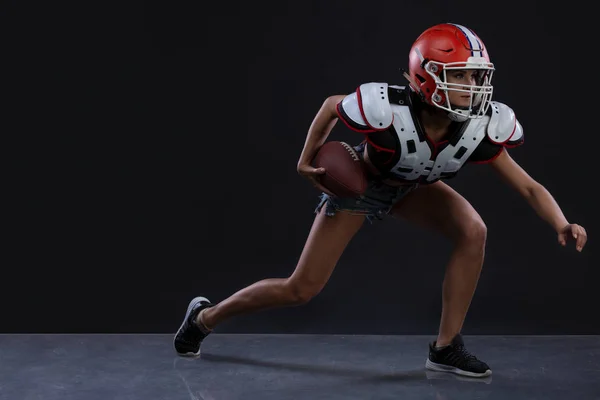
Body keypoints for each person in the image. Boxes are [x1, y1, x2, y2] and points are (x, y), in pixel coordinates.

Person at [173, 23, 587, 378]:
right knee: (301, 288)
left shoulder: (482, 125)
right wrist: (304, 160)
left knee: (473, 230)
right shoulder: (386, 109)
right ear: (425, 77)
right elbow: (331, 105)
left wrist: (560, 222)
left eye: (477, 77)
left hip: (416, 188)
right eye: (461, 76)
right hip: (365, 184)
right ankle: (205, 317)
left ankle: (445, 349)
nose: (473, 86)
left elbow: (529, 185)